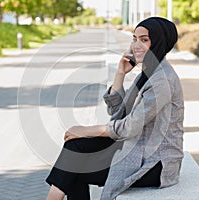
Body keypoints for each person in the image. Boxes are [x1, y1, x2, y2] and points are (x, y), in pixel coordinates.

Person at [45, 17, 184, 200]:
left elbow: (130, 127)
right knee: (75, 146)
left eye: (144, 40)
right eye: (134, 39)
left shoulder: (162, 80)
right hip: (137, 147)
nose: (136, 45)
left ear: (159, 42)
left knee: (74, 167)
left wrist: (86, 130)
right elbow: (118, 113)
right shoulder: (149, 73)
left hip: (156, 163)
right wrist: (120, 73)